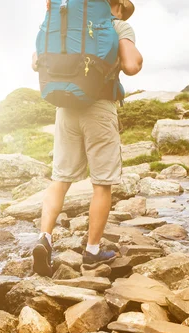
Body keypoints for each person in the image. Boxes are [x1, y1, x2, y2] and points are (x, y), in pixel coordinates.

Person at [32, 0, 143, 277]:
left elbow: (36, 62)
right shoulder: (118, 26)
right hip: (99, 107)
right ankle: (92, 251)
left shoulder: (65, 26)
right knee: (102, 183)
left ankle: (45, 238)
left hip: (65, 109)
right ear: (116, 6)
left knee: (61, 179)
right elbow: (131, 66)